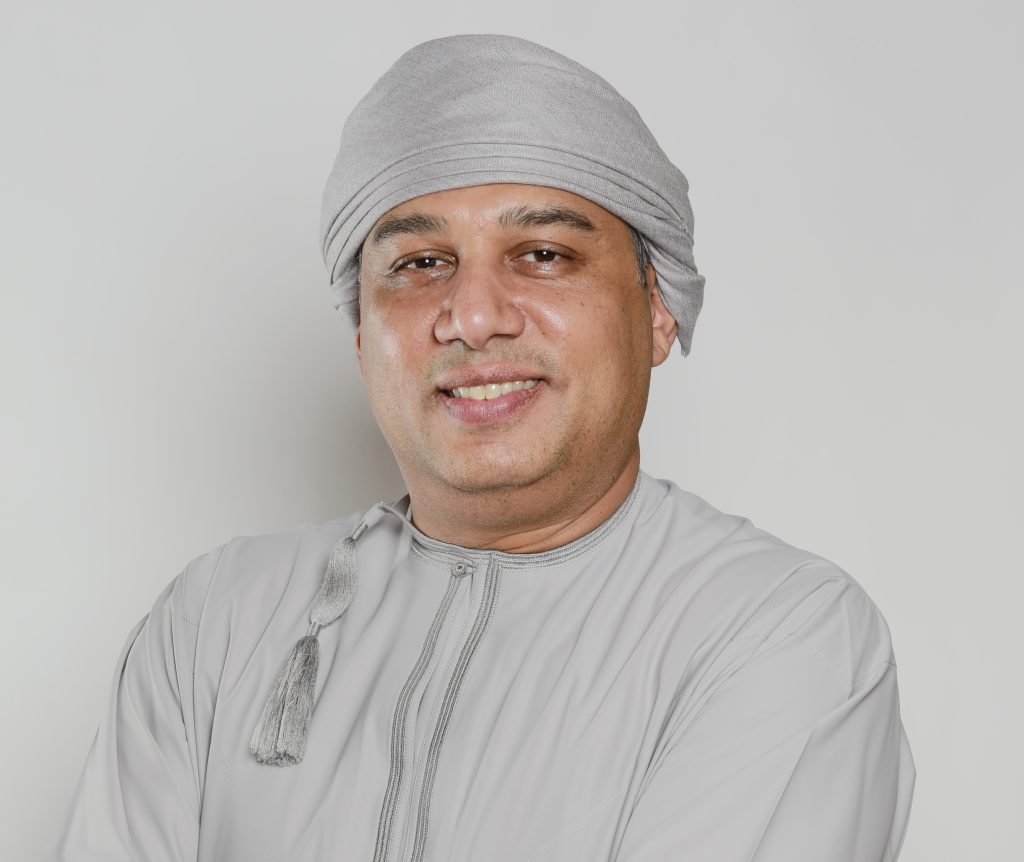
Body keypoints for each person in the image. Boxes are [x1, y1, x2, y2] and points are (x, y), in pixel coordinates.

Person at [50, 34, 915, 862]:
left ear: (659, 310)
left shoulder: (776, 630)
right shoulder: (218, 619)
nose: (471, 317)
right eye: (421, 264)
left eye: (543, 253)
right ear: (362, 336)